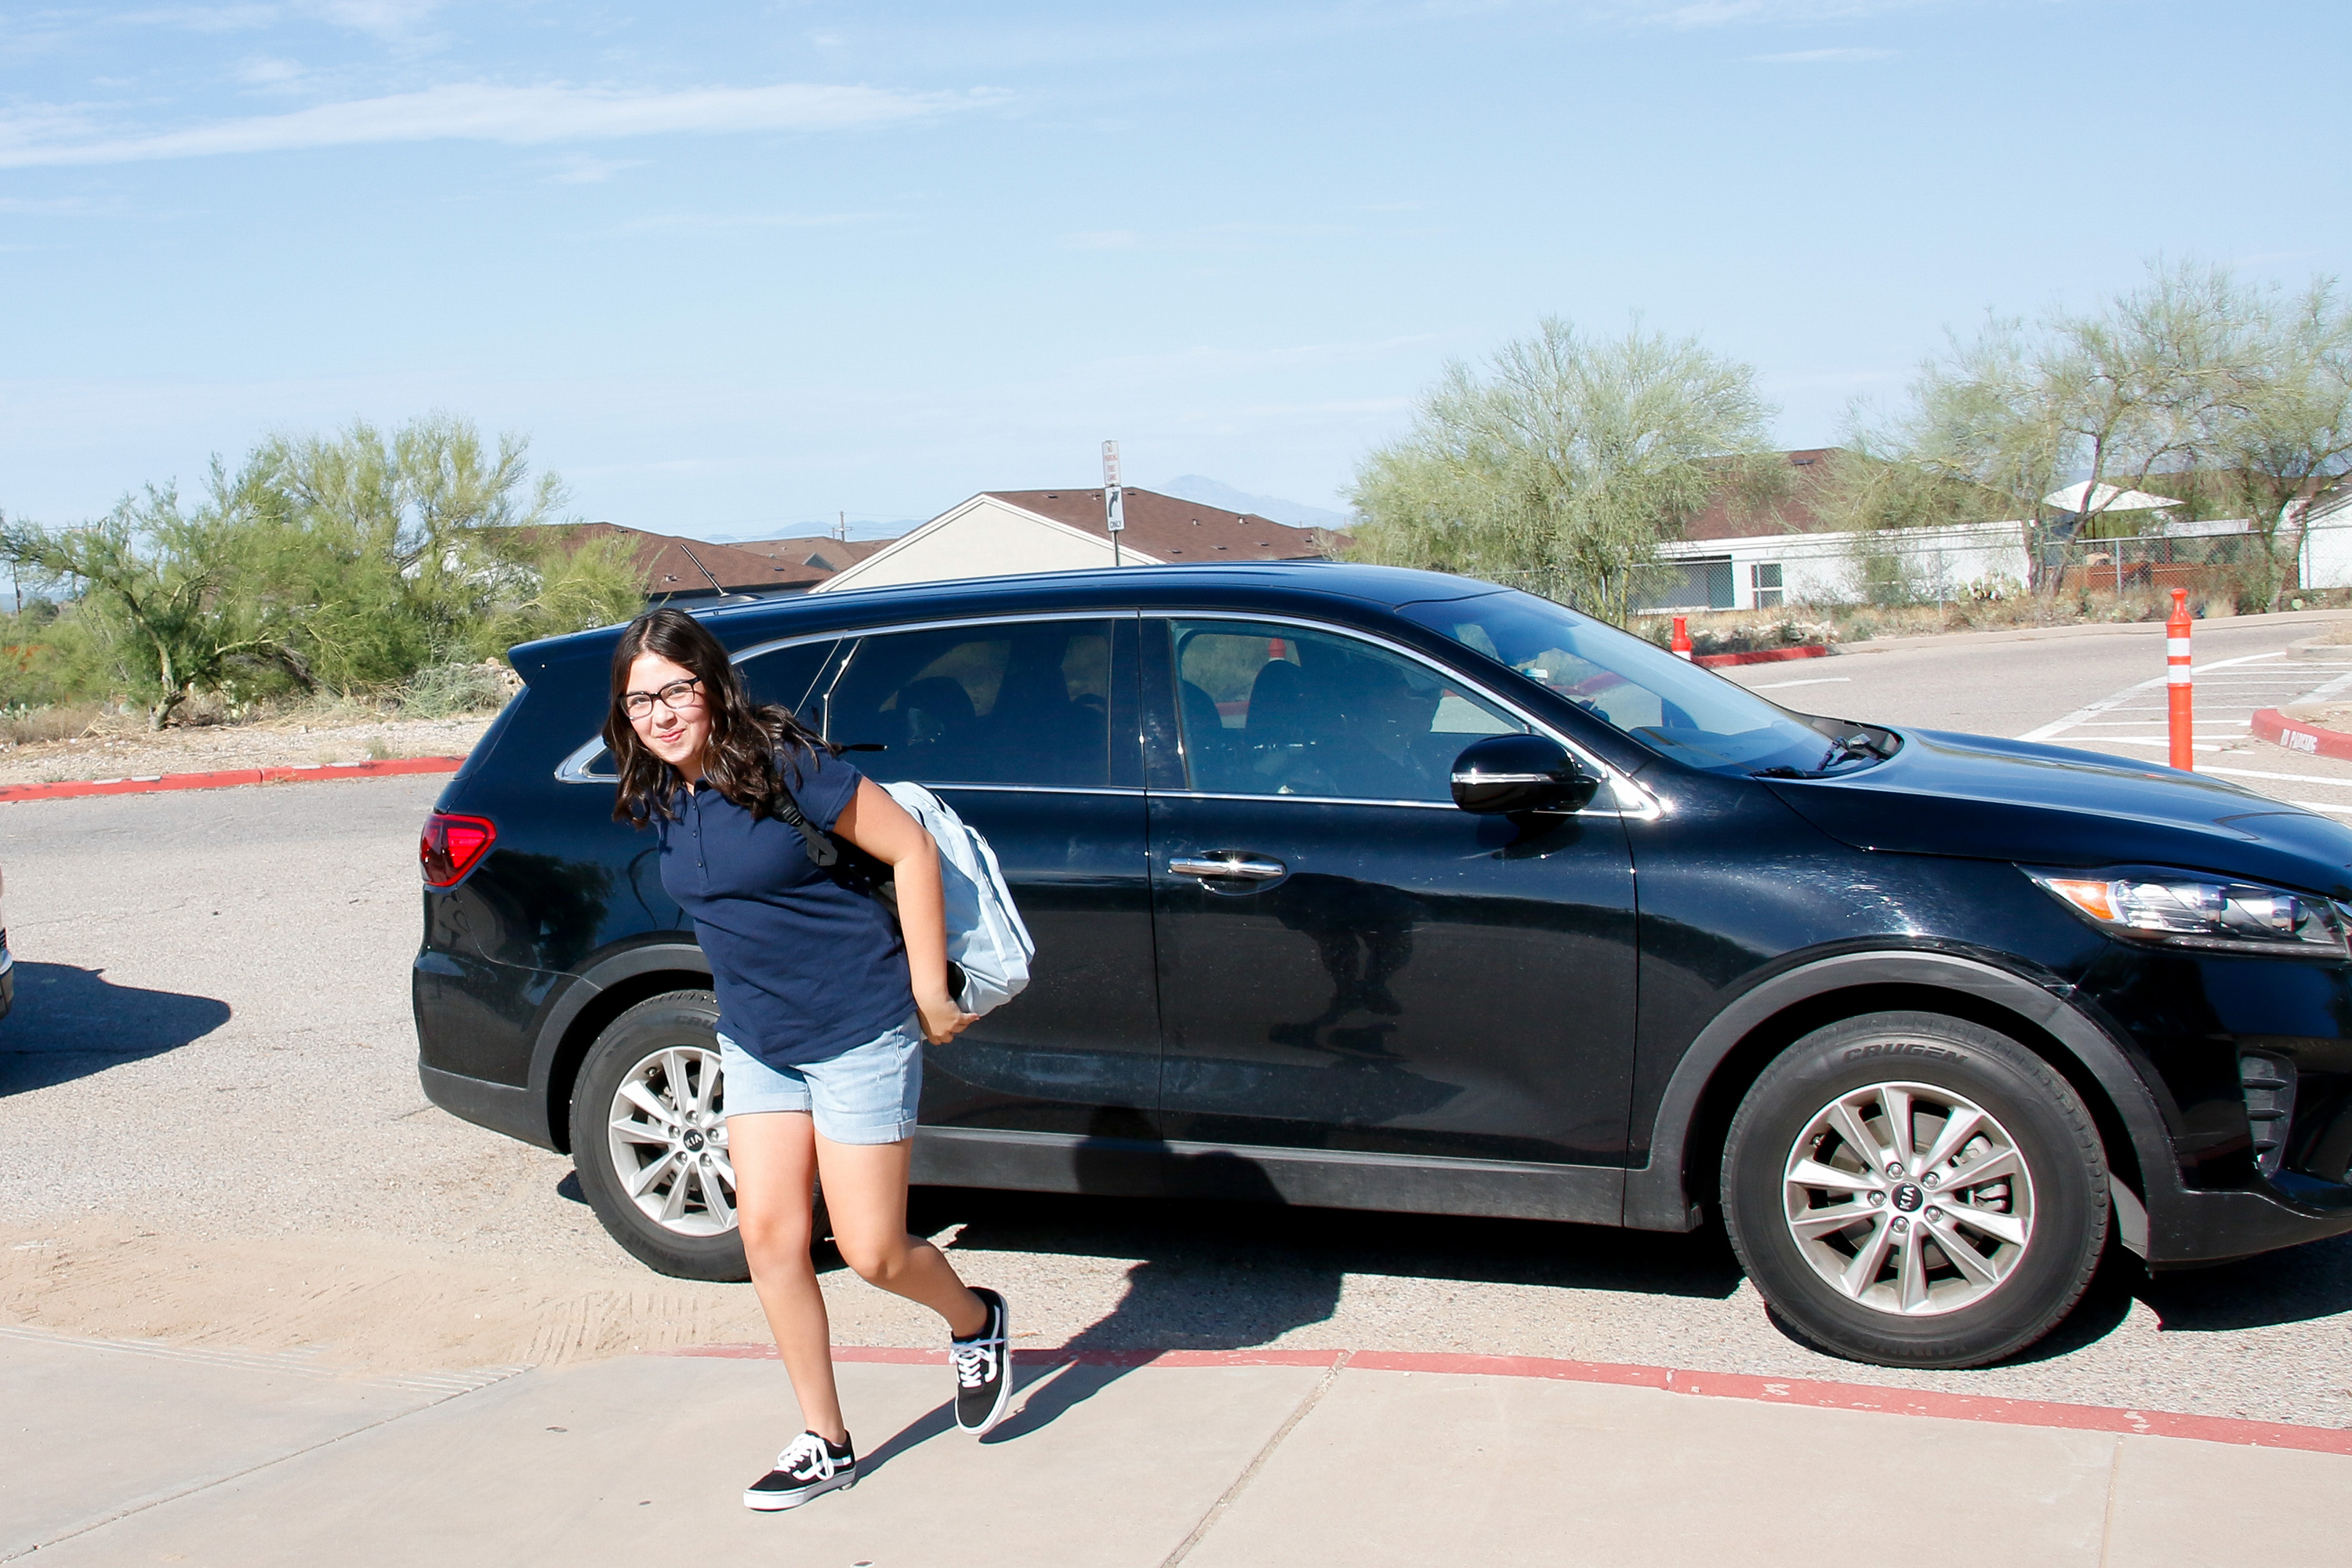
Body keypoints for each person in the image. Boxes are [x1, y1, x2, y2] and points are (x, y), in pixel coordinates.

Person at [604, 608, 1012, 1512]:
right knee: (770, 1240)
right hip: (757, 1042)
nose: (663, 713)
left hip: (859, 1029)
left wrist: (930, 992)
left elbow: (906, 848)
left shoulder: (784, 763)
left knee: (871, 1250)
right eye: (642, 700)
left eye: (676, 689)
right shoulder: (660, 792)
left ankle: (974, 1320)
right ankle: (825, 1438)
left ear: (710, 682)